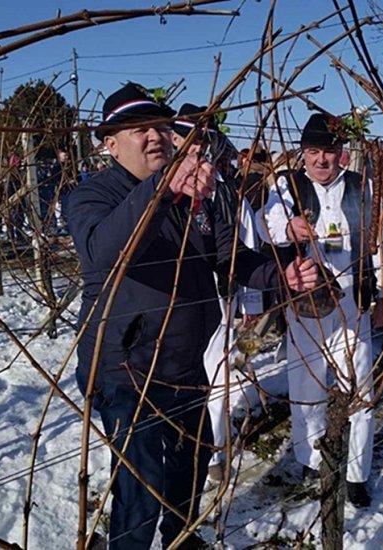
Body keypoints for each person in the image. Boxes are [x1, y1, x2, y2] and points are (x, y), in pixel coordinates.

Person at [67, 83, 317, 549]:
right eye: (139, 129)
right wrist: (163, 190)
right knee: (141, 487)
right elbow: (106, 251)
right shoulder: (93, 196)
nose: (155, 136)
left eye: (160, 126)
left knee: (191, 464)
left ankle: (181, 538)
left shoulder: (197, 197)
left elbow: (229, 257)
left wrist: (281, 273)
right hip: (125, 371)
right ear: (110, 143)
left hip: (184, 365)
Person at [260, 113, 383, 508]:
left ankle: (356, 474)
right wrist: (288, 229)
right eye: (313, 152)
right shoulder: (289, 187)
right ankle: (312, 461)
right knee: (306, 390)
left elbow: (382, 240)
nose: (321, 160)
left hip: (353, 307)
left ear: (343, 155)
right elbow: (267, 222)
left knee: (361, 393)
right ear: (303, 154)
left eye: (329, 152)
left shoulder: (362, 187)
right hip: (306, 310)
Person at [171, 103, 264, 482]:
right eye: (186, 141)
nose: (197, 151)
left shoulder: (227, 193)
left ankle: (212, 452)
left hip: (220, 299)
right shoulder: (158, 190)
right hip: (171, 305)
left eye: (203, 142)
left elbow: (246, 244)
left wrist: (252, 302)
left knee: (217, 375)